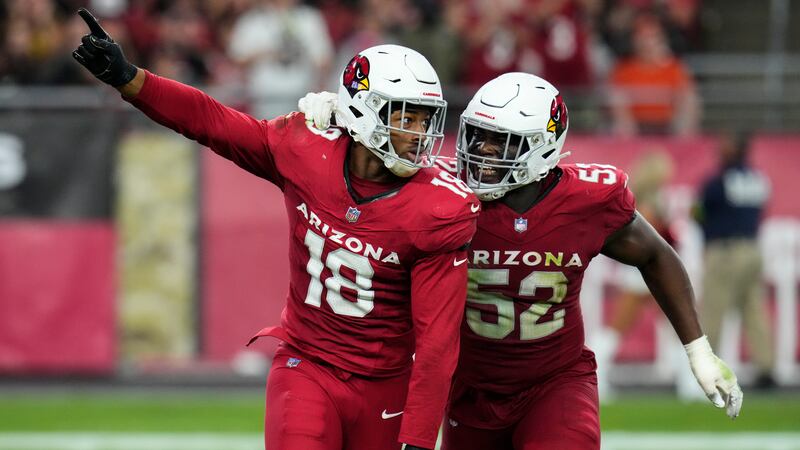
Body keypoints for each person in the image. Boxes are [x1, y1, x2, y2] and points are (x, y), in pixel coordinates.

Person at [72, 9, 479, 450]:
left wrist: (418, 440)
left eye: (424, 119)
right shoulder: (305, 148)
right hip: (308, 364)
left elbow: (438, 344)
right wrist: (130, 78)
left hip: (386, 383)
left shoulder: (441, 207)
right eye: (406, 116)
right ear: (364, 109)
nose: (418, 133)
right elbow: (212, 122)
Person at [301, 72, 742, 450]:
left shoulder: (585, 201)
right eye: (478, 135)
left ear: (544, 148)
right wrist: (342, 126)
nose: (483, 151)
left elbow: (656, 255)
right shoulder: (441, 192)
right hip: (469, 391)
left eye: (502, 142)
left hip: (555, 383)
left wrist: (698, 351)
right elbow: (373, 174)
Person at [695, 131, 775, 389]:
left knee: (713, 311)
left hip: (726, 250)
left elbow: (699, 211)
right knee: (754, 311)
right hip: (752, 249)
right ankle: (766, 367)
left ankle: (706, 371)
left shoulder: (719, 181)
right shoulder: (758, 179)